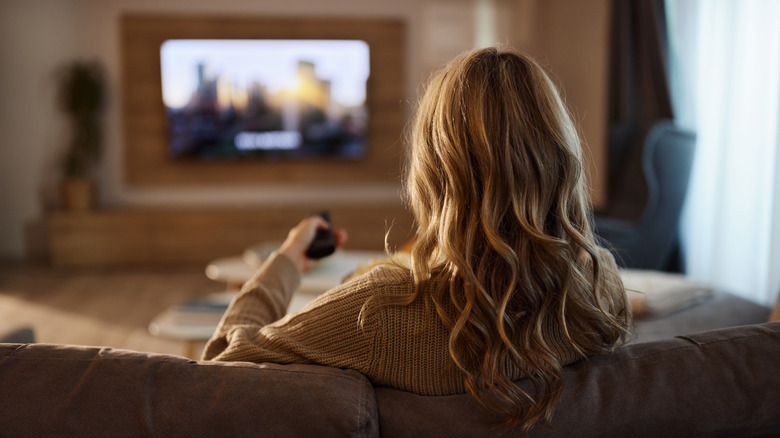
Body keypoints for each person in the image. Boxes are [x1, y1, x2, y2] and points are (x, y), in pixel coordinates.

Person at [202, 47, 631, 432]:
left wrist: (287, 259)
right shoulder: (601, 288)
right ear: (559, 156)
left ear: (438, 168)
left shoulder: (382, 308)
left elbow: (222, 366)